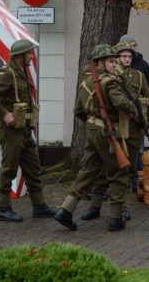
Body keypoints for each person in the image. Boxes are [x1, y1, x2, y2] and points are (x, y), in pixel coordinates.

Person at [54, 44, 137, 232]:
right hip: (106, 133)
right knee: (119, 172)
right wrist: (134, 108)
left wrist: (93, 122)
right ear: (100, 63)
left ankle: (66, 209)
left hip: (91, 131)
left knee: (89, 170)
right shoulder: (110, 82)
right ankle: (116, 218)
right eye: (111, 61)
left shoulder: (86, 82)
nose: (115, 65)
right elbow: (121, 102)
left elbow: (78, 110)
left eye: (116, 61)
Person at [0, 39, 57, 222]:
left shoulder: (22, 72)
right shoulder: (7, 74)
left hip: (23, 129)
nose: (32, 56)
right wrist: (5, 114)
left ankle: (39, 206)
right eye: (29, 53)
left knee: (33, 167)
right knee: (9, 168)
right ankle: (3, 208)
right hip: (10, 130)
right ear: (20, 56)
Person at [81, 41, 149, 223]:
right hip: (114, 128)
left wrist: (145, 125)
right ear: (117, 58)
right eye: (123, 56)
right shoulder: (111, 76)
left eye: (129, 56)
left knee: (126, 172)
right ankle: (95, 207)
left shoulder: (139, 76)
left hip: (133, 131)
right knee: (102, 170)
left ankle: (120, 209)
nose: (127, 59)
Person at [119, 33, 149, 190]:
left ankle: (136, 183)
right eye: (128, 45)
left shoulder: (142, 66)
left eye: (134, 46)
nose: (130, 52)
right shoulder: (114, 68)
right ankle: (121, 183)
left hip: (136, 119)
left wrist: (145, 119)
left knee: (137, 151)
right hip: (120, 118)